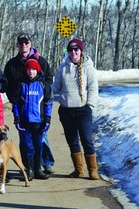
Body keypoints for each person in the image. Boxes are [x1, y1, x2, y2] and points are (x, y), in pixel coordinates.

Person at [4, 33, 55, 174]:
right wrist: (14, 99)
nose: (24, 45)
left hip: (38, 110)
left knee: (41, 140)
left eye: (26, 43)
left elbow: (49, 79)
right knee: (25, 141)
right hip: (22, 108)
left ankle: (46, 163)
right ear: (17, 45)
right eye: (21, 43)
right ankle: (27, 167)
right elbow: (7, 83)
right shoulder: (12, 64)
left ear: (30, 44)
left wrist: (43, 90)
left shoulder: (41, 61)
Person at [52, 38, 100, 180]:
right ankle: (78, 170)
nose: (73, 52)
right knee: (72, 141)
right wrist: (43, 88)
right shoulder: (62, 67)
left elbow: (93, 88)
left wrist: (89, 106)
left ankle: (92, 170)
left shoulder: (88, 67)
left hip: (83, 110)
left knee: (86, 139)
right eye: (71, 50)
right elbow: (56, 87)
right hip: (66, 111)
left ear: (81, 51)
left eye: (76, 50)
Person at [12, 59, 53, 180]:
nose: (31, 72)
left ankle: (38, 169)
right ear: (26, 70)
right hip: (25, 122)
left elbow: (48, 103)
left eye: (34, 69)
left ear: (37, 70)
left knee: (38, 146)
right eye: (29, 69)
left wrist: (47, 119)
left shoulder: (43, 85)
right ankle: (29, 170)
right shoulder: (21, 85)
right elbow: (15, 103)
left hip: (39, 122)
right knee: (28, 147)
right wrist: (17, 118)